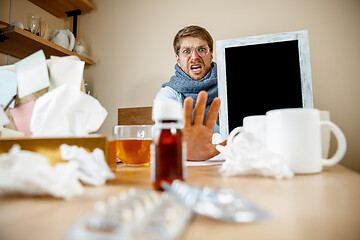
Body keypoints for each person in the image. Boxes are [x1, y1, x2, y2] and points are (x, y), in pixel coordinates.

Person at [154, 25, 225, 160]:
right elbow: (160, 133)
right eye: (187, 51)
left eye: (202, 49)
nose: (195, 57)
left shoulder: (228, 87)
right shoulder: (169, 95)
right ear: (178, 59)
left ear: (211, 55)